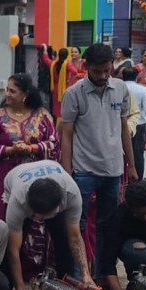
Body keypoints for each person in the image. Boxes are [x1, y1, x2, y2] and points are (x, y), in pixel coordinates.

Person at [61, 43, 137, 276]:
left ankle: (103, 275)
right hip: (83, 171)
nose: (103, 76)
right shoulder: (73, 93)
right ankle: (77, 277)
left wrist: (131, 165)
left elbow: (123, 128)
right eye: (97, 71)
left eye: (107, 70)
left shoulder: (120, 88)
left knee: (107, 226)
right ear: (86, 67)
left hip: (113, 170)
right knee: (77, 224)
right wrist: (66, 172)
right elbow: (66, 134)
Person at [2, 161, 94, 290]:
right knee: (9, 245)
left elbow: (75, 238)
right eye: (38, 216)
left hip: (55, 197)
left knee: (63, 239)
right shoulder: (18, 200)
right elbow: (13, 250)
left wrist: (85, 273)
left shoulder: (71, 193)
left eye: (44, 216)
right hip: (16, 180)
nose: (41, 221)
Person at [0, 73, 58, 220]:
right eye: (7, 90)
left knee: (33, 214)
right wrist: (9, 150)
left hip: (35, 176)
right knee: (4, 217)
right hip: (4, 176)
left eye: (12, 91)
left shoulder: (42, 115)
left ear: (25, 94)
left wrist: (31, 148)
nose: (7, 94)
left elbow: (54, 143)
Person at [121, 67, 146, 180]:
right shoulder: (142, 89)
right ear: (137, 77)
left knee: (120, 154)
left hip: (121, 125)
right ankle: (138, 180)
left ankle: (122, 180)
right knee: (138, 154)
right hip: (138, 124)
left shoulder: (118, 88)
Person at [50, 48, 77, 120]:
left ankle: (56, 124)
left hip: (55, 90)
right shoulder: (67, 64)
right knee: (64, 110)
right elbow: (75, 71)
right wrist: (69, 80)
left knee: (56, 110)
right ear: (67, 55)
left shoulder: (53, 64)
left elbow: (46, 59)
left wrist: (44, 51)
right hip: (64, 88)